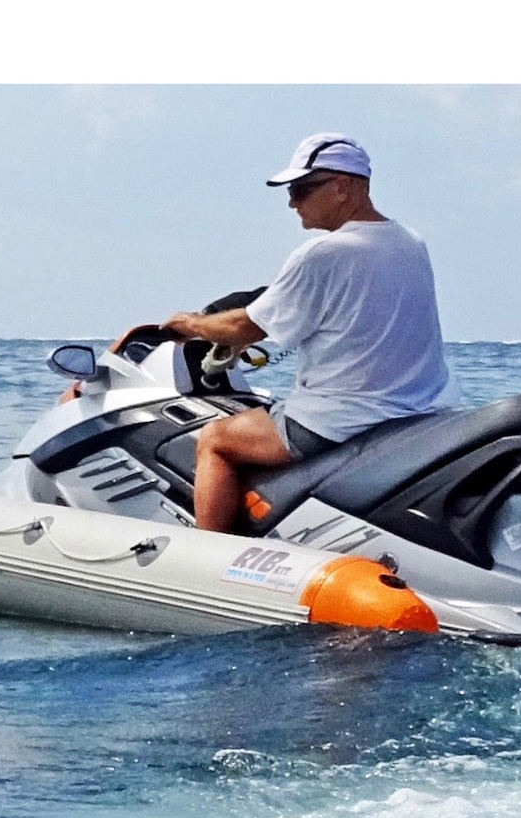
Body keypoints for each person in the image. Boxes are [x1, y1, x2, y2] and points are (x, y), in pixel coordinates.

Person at [161, 131, 459, 533]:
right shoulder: (411, 242)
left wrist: (190, 324)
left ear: (343, 186)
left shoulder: (323, 254)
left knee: (214, 439)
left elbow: (246, 326)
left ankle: (208, 553)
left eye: (301, 189)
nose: (292, 202)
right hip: (417, 415)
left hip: (340, 423)